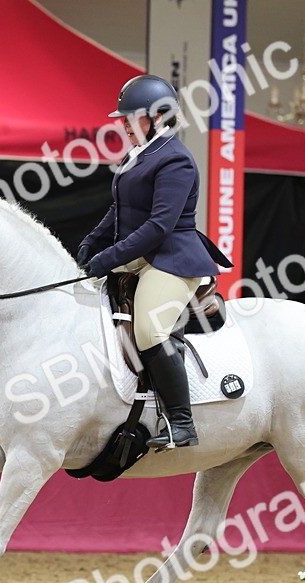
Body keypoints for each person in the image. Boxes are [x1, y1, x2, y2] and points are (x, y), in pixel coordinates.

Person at [78, 75, 221, 449]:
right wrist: (92, 242)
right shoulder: (137, 154)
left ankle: (182, 423)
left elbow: (159, 226)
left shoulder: (176, 160)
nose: (124, 125)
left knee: (149, 330)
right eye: (123, 119)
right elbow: (119, 209)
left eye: (131, 117)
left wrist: (108, 258)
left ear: (158, 116)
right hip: (138, 255)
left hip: (171, 259)